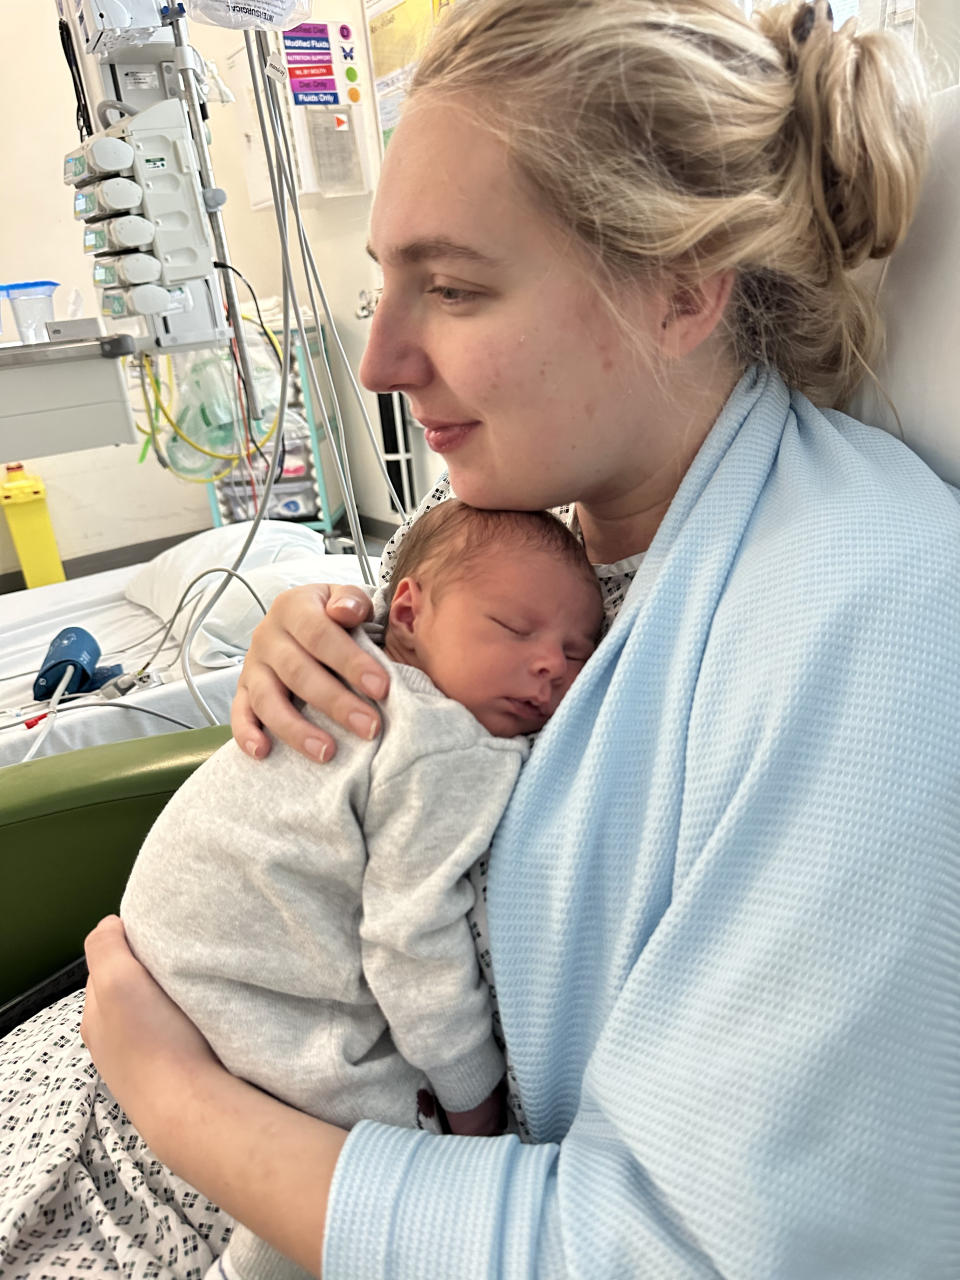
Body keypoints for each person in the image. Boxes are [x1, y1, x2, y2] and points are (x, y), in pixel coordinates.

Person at [4, 0, 959, 1276]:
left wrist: (173, 1095)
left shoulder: (867, 618)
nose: (381, 360)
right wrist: (351, 673)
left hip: (172, 1150)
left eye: (451, 286)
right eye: (382, 285)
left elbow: (663, 1251)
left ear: (680, 290)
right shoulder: (576, 522)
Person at [120, 501, 603, 1280]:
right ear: (405, 611)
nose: (552, 665)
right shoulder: (445, 743)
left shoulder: (366, 665)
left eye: (579, 654)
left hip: (172, 935)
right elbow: (413, 944)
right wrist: (474, 1105)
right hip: (242, 974)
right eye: (515, 629)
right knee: (377, 1153)